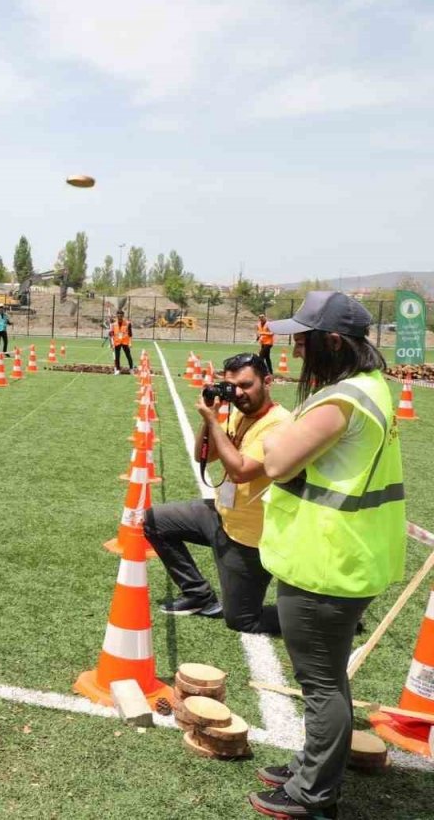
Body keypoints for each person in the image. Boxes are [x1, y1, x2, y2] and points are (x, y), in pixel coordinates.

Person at [246, 292, 406, 819]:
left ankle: (313, 794)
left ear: (332, 342)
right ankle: (313, 768)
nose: (295, 348)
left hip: (325, 562)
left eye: (304, 339)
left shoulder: (340, 400)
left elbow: (276, 461)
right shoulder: (369, 388)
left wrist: (280, 434)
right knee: (327, 677)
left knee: (319, 684)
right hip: (344, 558)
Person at [145, 353, 290, 632]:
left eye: (246, 385)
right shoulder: (239, 413)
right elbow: (206, 456)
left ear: (268, 381)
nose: (238, 393)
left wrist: (213, 422)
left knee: (241, 620)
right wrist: (209, 417)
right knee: (154, 520)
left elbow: (241, 471)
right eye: (231, 385)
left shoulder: (280, 424)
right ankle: (198, 594)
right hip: (223, 515)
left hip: (250, 535)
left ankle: (322, 621)